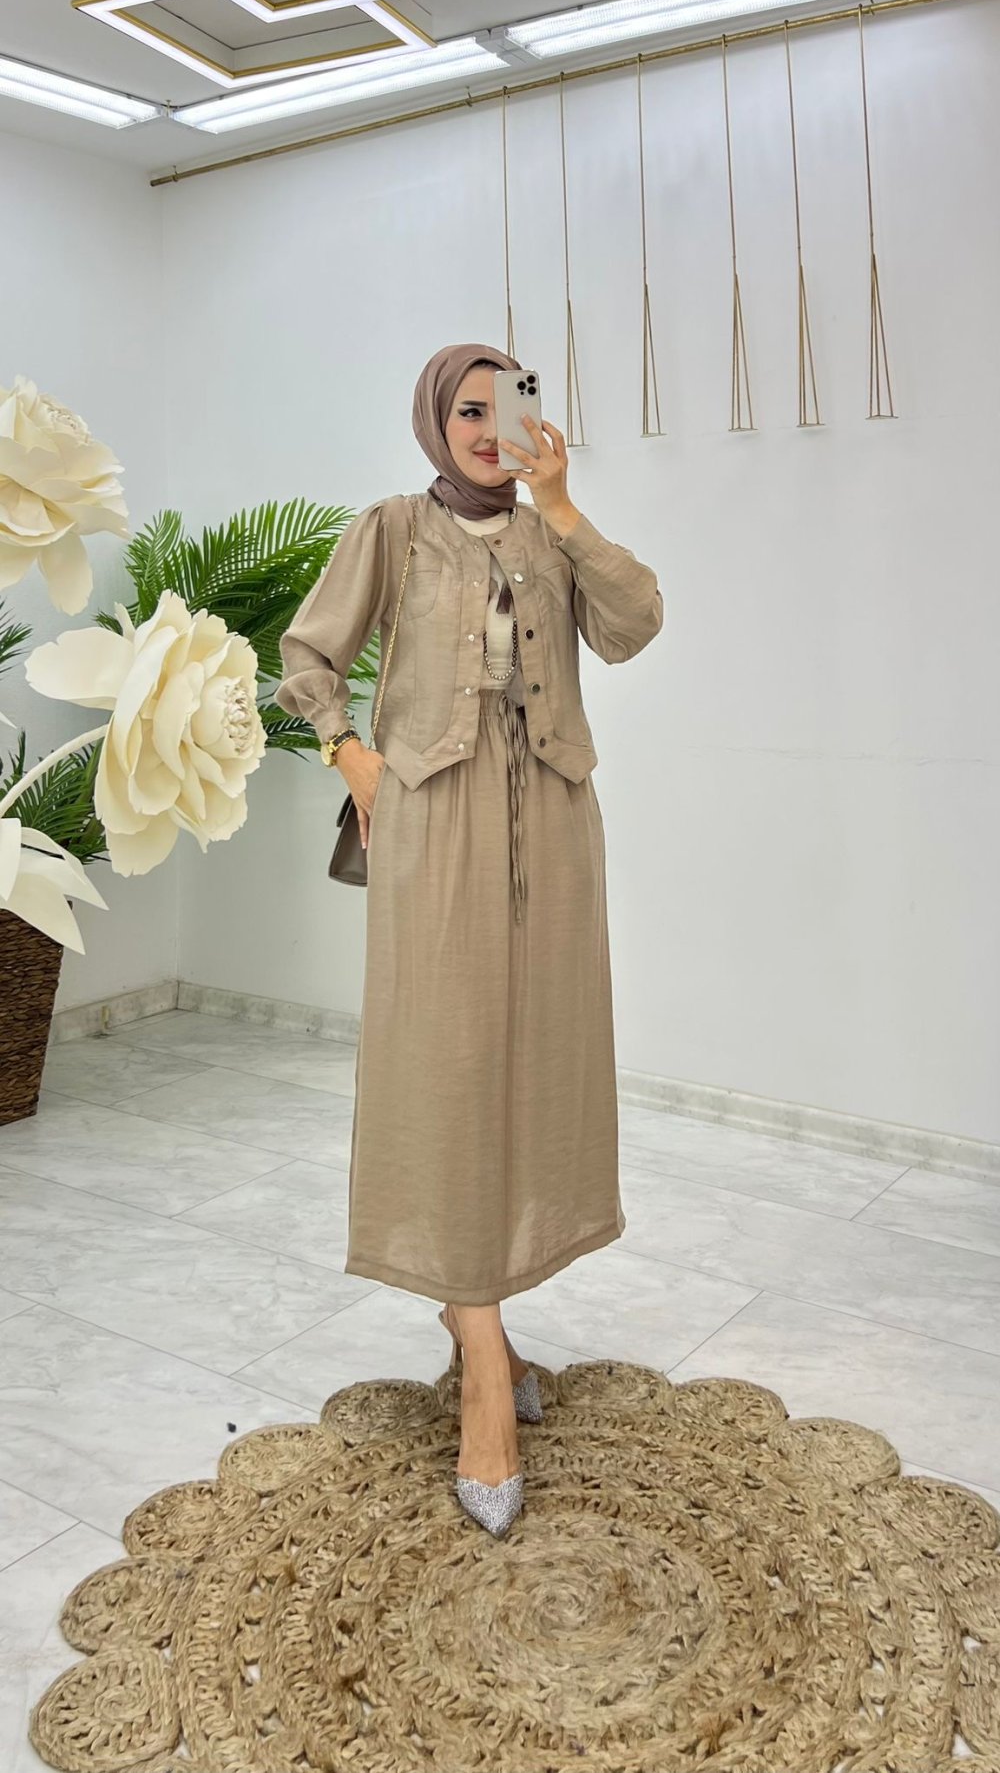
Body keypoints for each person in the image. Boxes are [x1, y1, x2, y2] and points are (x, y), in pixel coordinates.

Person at [274, 341, 663, 1537]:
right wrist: (352, 753)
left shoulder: (550, 535)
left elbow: (636, 624)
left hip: (554, 820)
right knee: (441, 1072)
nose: (493, 428)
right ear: (434, 421)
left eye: (511, 406)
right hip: (433, 823)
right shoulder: (392, 529)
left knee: (533, 1068)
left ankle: (473, 1314)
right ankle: (485, 1370)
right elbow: (308, 652)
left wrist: (565, 506)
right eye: (470, 409)